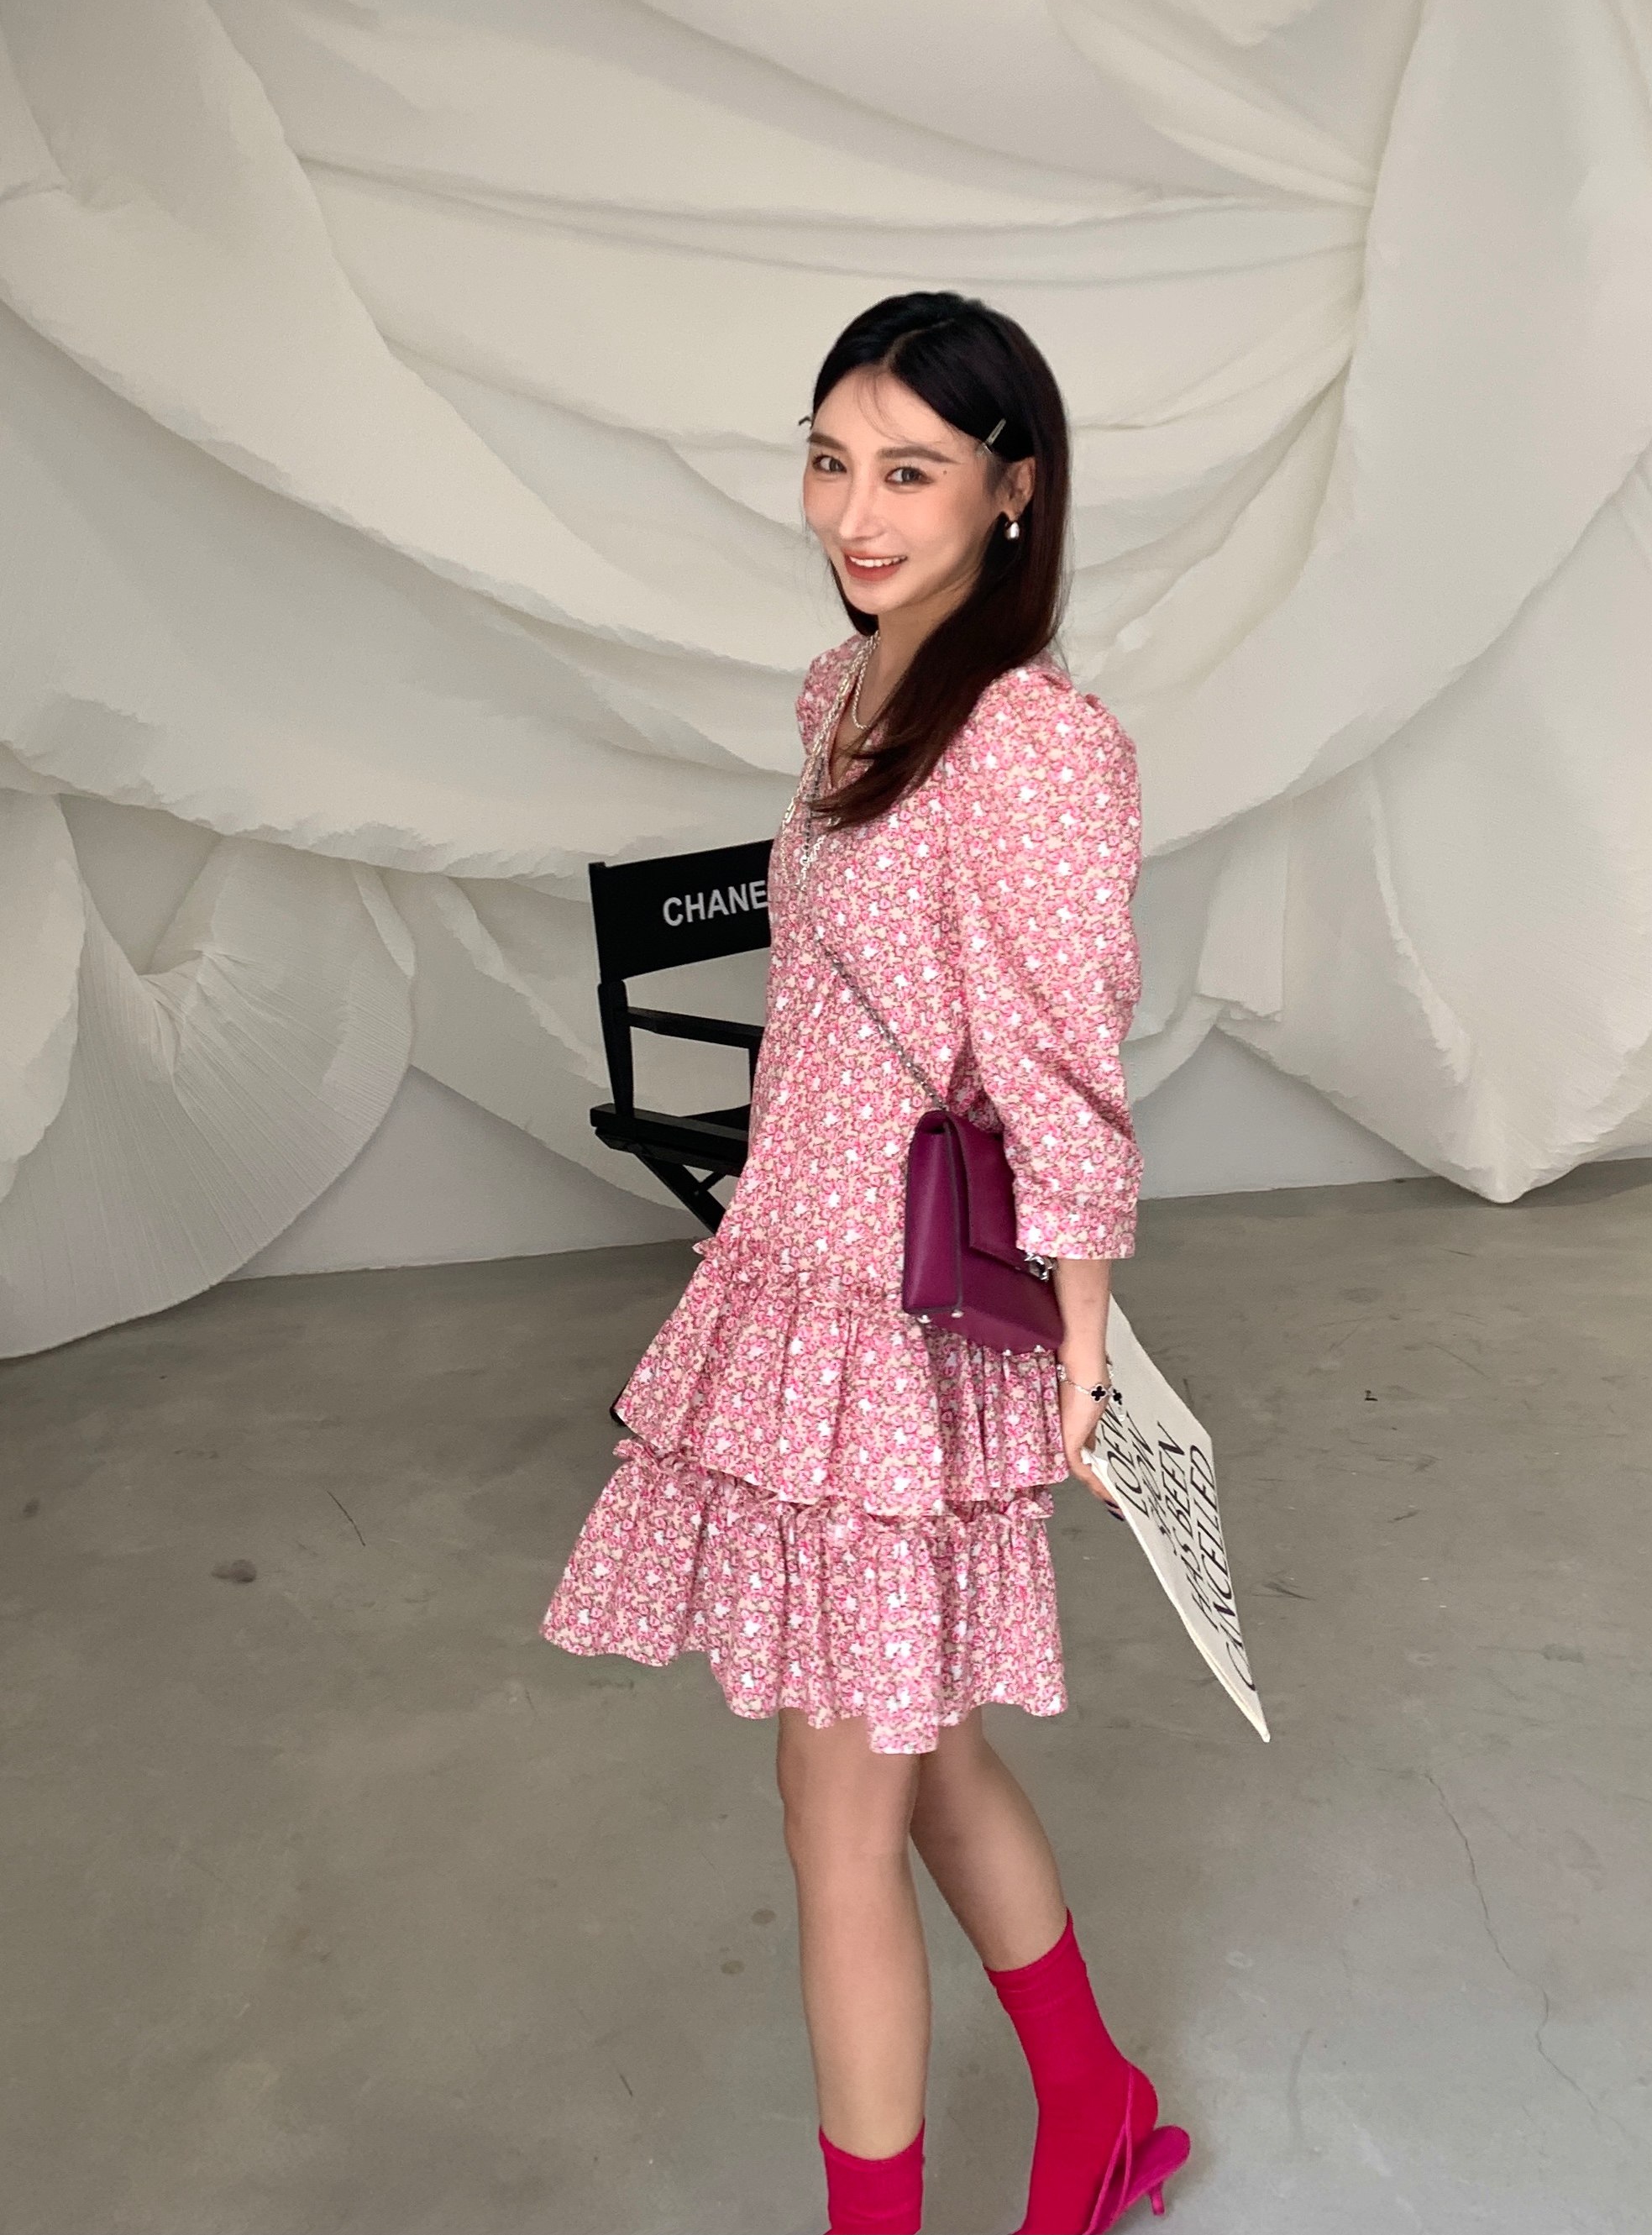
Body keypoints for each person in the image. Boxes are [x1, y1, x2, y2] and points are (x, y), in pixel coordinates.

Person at [543, 291, 1188, 2235]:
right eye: (831, 462)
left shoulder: (1034, 743)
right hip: (799, 1276)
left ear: (1014, 489)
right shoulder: (843, 691)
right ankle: (1098, 2100)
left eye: (910, 469)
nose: (856, 511)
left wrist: (1084, 1344)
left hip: (904, 1331)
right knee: (922, 1757)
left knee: (838, 1815)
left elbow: (1064, 1061)